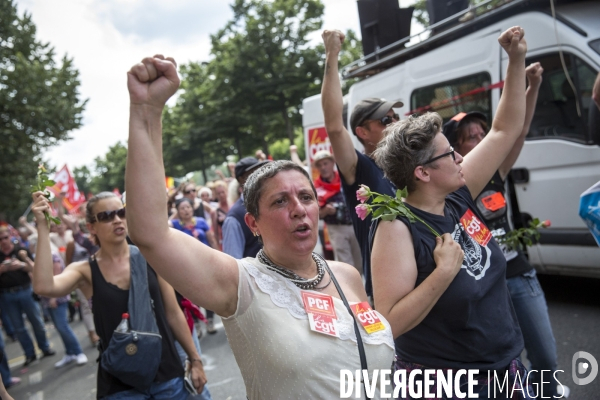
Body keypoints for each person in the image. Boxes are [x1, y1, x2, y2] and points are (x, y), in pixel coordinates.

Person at [124, 55, 395, 399]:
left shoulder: (346, 276)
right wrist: (147, 112)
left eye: (306, 197)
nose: (299, 210)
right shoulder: (242, 283)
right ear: (252, 223)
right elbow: (150, 233)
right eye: (280, 202)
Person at [370, 27, 532, 398]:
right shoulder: (397, 227)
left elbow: (504, 130)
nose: (461, 157)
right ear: (422, 173)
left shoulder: (456, 195)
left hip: (504, 368)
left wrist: (516, 58)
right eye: (449, 154)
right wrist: (443, 273)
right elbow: (389, 323)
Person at [442, 62, 567, 398]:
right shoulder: (450, 191)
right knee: (504, 367)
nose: (482, 140)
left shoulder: (498, 171)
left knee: (544, 356)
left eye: (483, 134)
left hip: (518, 275)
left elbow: (516, 129)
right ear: (455, 148)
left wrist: (534, 85)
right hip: (483, 289)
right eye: (472, 137)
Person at [31, 192, 207, 399]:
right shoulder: (85, 271)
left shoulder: (151, 257)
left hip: (167, 376)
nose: (116, 220)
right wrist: (43, 228)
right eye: (106, 216)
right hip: (120, 384)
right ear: (91, 226)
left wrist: (195, 360)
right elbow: (44, 286)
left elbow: (173, 313)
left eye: (121, 213)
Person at [322, 30, 399, 296]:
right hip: (389, 288)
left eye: (395, 115)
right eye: (385, 120)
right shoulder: (361, 167)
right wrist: (332, 54)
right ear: (362, 132)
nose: (395, 122)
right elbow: (333, 126)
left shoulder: (409, 167)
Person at [0, 226, 55, 366]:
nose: (3, 241)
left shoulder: (20, 251)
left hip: (25, 291)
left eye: (5, 238)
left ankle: (45, 347)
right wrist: (3, 269)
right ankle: (29, 354)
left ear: (10, 237)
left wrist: (21, 265)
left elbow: (35, 268)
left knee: (37, 322)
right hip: (7, 295)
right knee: (18, 327)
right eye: (0, 239)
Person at [313, 150, 362, 272]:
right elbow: (316, 214)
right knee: (346, 265)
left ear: (332, 163)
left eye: (326, 163)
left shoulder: (344, 179)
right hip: (336, 228)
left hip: (355, 224)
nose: (323, 167)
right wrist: (326, 211)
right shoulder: (317, 187)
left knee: (360, 262)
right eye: (320, 165)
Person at [43, 252, 88, 368]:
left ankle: (79, 352)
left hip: (57, 298)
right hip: (47, 298)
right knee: (59, 327)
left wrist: (53, 297)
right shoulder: (37, 257)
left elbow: (57, 277)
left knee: (63, 326)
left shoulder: (52, 256)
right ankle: (70, 352)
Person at [221, 157, 268, 259]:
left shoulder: (269, 205)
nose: (260, 175)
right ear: (241, 179)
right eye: (254, 172)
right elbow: (233, 261)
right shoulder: (234, 218)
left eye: (261, 170)